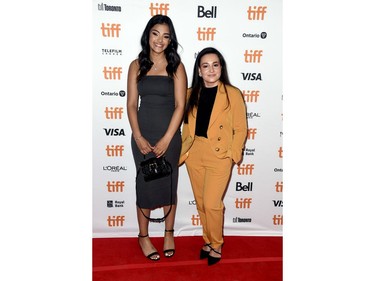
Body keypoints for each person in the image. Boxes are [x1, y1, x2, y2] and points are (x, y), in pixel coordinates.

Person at [180, 47, 247, 265]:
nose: (210, 70)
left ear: (221, 67)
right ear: (199, 70)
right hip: (194, 153)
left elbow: (240, 128)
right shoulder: (190, 94)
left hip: (219, 155)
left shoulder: (232, 94)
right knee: (201, 203)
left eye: (215, 65)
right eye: (205, 66)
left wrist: (233, 154)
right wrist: (183, 151)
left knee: (212, 203)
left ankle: (216, 244)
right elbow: (186, 127)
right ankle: (207, 240)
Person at [127, 15, 187, 261]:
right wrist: (139, 136)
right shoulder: (136, 65)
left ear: (170, 39)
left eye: (166, 35)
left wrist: (167, 139)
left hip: (169, 138)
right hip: (143, 137)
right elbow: (131, 104)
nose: (160, 40)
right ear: (148, 35)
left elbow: (180, 105)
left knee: (168, 185)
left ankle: (169, 233)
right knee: (145, 185)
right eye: (155, 33)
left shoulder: (177, 67)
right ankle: (143, 236)